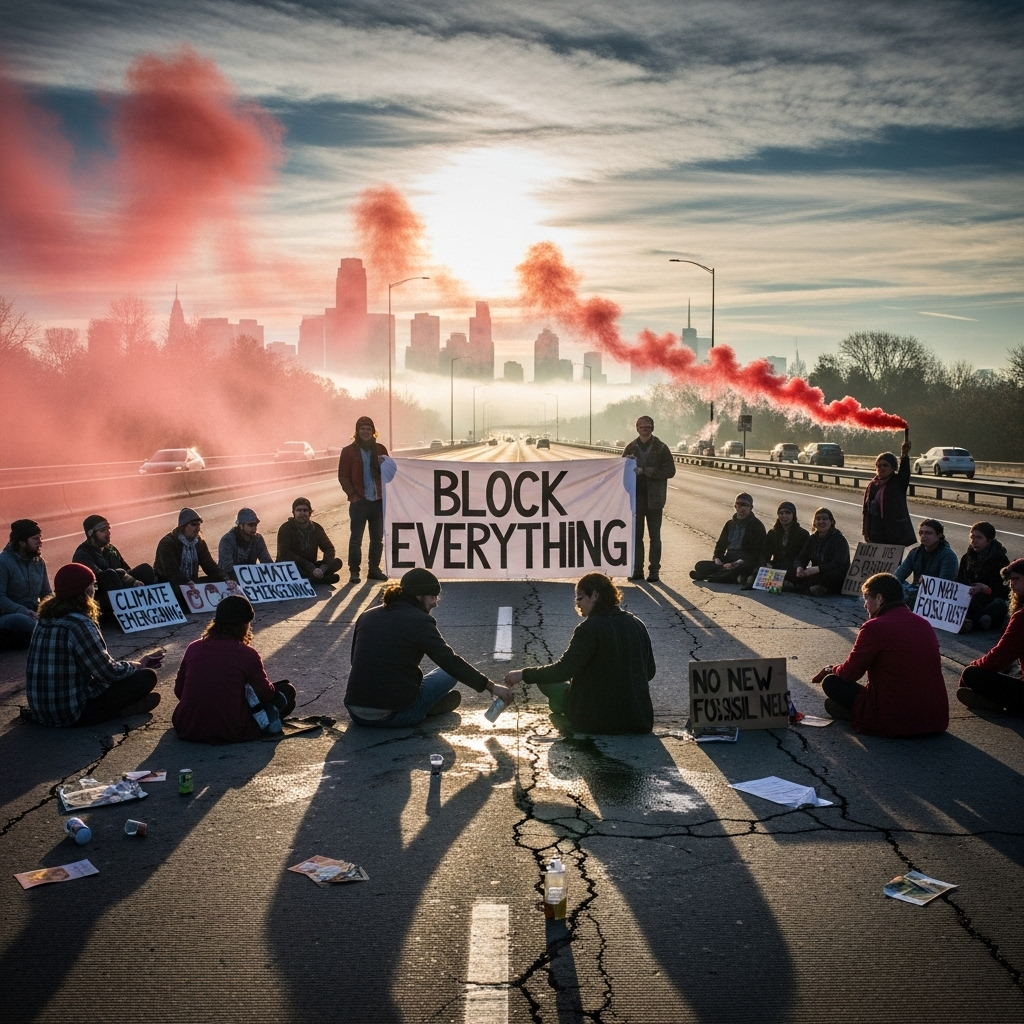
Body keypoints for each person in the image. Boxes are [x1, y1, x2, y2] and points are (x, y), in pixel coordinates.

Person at [344, 568, 512, 727]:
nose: (435, 603)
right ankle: (425, 707)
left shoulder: (366, 616)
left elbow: (354, 661)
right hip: (395, 716)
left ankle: (425, 703)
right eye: (433, 597)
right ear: (419, 596)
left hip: (356, 714)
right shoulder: (420, 621)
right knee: (448, 674)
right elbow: (450, 661)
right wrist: (491, 687)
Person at [503, 572, 655, 734]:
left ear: (594, 596)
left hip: (595, 720)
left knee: (547, 680)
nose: (577, 605)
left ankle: (561, 704)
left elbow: (563, 671)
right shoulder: (637, 624)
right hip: (639, 719)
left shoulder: (588, 629)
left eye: (579, 598)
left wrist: (523, 674)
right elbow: (649, 672)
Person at [24, 563, 164, 727]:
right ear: (84, 591)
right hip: (69, 712)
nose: (95, 590)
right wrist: (137, 665)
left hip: (39, 708)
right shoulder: (80, 623)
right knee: (146, 677)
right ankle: (123, 710)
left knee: (115, 679)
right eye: (93, 585)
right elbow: (106, 671)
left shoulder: (44, 618)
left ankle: (128, 707)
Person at [812, 572, 948, 736]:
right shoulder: (924, 624)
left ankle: (858, 714)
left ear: (879, 598)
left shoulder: (874, 627)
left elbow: (850, 674)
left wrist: (831, 669)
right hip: (934, 718)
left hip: (894, 719)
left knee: (832, 682)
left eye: (866, 598)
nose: (865, 606)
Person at [172, 595, 297, 743]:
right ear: (245, 624)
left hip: (187, 726)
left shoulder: (193, 647)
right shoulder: (246, 653)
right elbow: (266, 695)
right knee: (287, 692)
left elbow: (179, 691)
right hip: (232, 729)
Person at [956, 559, 1024, 717]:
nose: (1012, 584)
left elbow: (1000, 657)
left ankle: (994, 701)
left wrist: (972, 667)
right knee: (1010, 670)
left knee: (972, 674)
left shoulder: (1022, 617)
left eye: (1016, 579)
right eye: (1010, 580)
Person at [622, 416, 676, 582]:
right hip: (636, 499)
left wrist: (646, 470)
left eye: (648, 426)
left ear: (652, 428)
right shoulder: (630, 448)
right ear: (637, 428)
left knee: (655, 536)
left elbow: (670, 471)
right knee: (636, 537)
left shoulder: (661, 448)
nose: (645, 429)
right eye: (642, 426)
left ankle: (654, 571)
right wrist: (627, 464)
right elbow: (621, 473)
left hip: (655, 500)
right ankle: (637, 570)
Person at [338, 416, 389, 584]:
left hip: (377, 501)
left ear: (373, 432)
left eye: (368, 428)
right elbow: (343, 476)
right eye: (362, 429)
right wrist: (353, 495)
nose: (365, 431)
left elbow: (391, 472)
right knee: (356, 539)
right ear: (357, 432)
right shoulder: (348, 451)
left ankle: (374, 569)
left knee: (377, 538)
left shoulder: (381, 449)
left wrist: (386, 464)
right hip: (359, 501)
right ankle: (354, 571)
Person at [71, 514, 156, 613]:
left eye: (108, 529)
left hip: (118, 588)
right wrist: (131, 580)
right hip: (98, 595)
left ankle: (153, 605)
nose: (108, 533)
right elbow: (100, 576)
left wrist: (133, 580)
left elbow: (125, 569)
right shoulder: (82, 554)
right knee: (110, 575)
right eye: (103, 531)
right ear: (91, 534)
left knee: (145, 569)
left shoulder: (111, 549)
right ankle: (121, 612)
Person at [154, 508, 227, 604]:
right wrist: (186, 582)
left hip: (191, 582)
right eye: (193, 525)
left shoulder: (199, 543)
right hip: (170, 584)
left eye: (199, 525)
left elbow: (209, 565)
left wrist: (225, 579)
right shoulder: (168, 543)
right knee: (178, 591)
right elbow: (171, 571)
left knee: (218, 582)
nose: (197, 528)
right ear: (183, 526)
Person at [690, 493, 766, 585]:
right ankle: (729, 577)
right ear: (735, 506)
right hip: (728, 559)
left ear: (751, 507)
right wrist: (717, 558)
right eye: (738, 504)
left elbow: (756, 552)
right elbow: (721, 545)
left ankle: (709, 577)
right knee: (700, 565)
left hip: (743, 560)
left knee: (744, 568)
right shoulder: (730, 524)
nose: (741, 507)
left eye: (744, 505)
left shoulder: (757, 526)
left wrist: (735, 564)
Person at [0, 519, 51, 648]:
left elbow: (46, 593)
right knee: (21, 619)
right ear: (22, 542)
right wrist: (25, 611)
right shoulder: (3, 563)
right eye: (35, 538)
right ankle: (49, 637)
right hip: (9, 616)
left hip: (33, 614)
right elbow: (1, 599)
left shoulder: (39, 562)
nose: (40, 542)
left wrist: (54, 609)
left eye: (40, 537)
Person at [955, 521, 1010, 633]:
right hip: (970, 598)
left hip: (989, 599)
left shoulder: (1000, 559)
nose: (974, 541)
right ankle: (979, 621)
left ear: (989, 540)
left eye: (979, 537)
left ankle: (972, 623)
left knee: (998, 605)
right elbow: (959, 579)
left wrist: (985, 589)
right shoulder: (967, 557)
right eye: (972, 537)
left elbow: (1003, 590)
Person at [743, 501, 810, 590]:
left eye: (787, 513)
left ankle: (783, 584)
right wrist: (765, 564)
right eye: (781, 513)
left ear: (793, 515)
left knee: (796, 575)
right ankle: (779, 583)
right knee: (757, 569)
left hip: (793, 567)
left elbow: (804, 557)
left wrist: (798, 567)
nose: (784, 516)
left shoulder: (803, 534)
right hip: (775, 566)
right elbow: (765, 553)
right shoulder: (773, 533)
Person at [276, 497, 343, 585]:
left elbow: (329, 549)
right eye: (299, 510)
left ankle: (315, 577)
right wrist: (311, 568)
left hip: (311, 566)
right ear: (293, 513)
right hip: (292, 566)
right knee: (292, 569)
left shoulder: (316, 528)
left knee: (337, 562)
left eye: (305, 510)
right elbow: (284, 553)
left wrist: (322, 568)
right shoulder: (285, 528)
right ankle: (320, 579)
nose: (302, 513)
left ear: (310, 513)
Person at [862, 440, 916, 546]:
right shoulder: (872, 485)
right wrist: (866, 531)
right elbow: (866, 510)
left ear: (893, 468)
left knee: (893, 563)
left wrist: (904, 454)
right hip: (875, 533)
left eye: (885, 465)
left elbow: (905, 471)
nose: (881, 468)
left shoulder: (898, 482)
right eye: (879, 465)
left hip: (893, 533)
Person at [894, 518, 958, 605]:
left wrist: (929, 582)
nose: (923, 536)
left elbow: (944, 584)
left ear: (939, 535)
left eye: (929, 533)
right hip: (915, 591)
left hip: (935, 598)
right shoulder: (915, 553)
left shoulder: (948, 555)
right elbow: (898, 576)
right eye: (921, 533)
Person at [793, 507, 851, 595]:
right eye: (818, 519)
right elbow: (801, 557)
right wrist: (799, 567)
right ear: (814, 523)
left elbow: (838, 564)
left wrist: (818, 569)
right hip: (816, 573)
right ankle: (810, 587)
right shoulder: (812, 539)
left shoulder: (839, 539)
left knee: (827, 577)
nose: (821, 522)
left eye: (824, 519)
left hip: (833, 574)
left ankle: (812, 588)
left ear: (831, 522)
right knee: (791, 570)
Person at [218, 508, 274, 575]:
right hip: (228, 579)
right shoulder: (227, 540)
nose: (254, 527)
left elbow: (267, 562)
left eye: (255, 524)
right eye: (250, 525)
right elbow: (227, 568)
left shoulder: (258, 539)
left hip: (249, 577)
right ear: (241, 526)